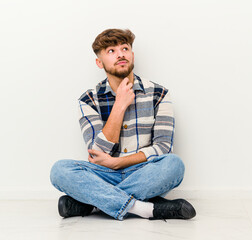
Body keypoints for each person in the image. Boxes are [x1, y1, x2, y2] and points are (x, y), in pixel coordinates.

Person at [50, 29, 196, 221]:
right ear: (99, 62)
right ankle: (145, 208)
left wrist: (117, 162)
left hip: (143, 171)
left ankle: (91, 204)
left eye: (125, 48)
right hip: (103, 174)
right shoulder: (88, 100)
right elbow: (97, 152)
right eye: (111, 51)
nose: (120, 54)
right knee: (60, 171)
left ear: (132, 55)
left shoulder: (159, 94)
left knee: (174, 165)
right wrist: (119, 106)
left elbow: (163, 148)